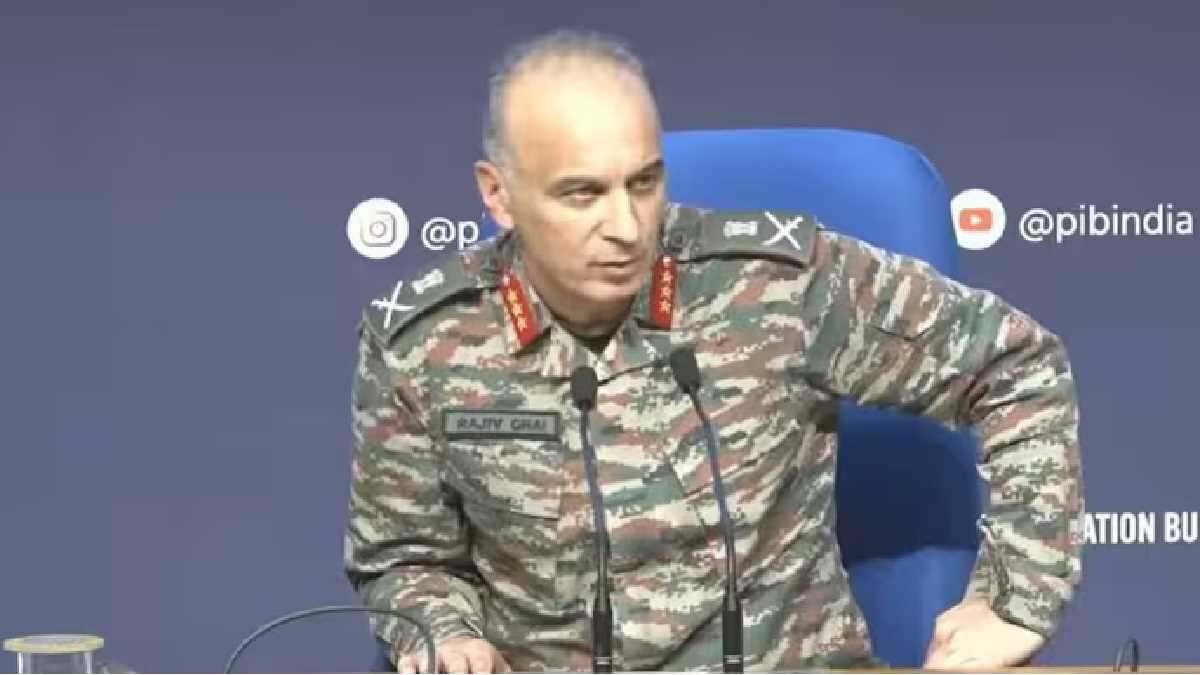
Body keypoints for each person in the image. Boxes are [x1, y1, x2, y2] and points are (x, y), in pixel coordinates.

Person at [343, 28, 1083, 673]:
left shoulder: (779, 286)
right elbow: (407, 557)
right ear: (498, 195)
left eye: (644, 183)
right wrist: (445, 632)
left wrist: (1016, 597)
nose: (626, 226)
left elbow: (1017, 366)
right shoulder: (422, 342)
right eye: (582, 194)